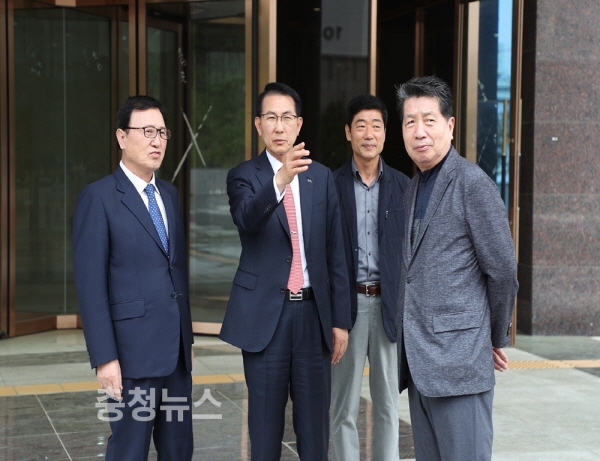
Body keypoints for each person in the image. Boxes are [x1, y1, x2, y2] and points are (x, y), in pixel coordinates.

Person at [219, 82, 351, 460]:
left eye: (287, 117)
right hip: (265, 319)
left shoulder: (320, 177)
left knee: (315, 431)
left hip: (312, 316)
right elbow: (247, 220)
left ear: (299, 124)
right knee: (264, 431)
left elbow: (336, 252)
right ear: (258, 124)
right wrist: (279, 181)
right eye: (271, 118)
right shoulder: (243, 175)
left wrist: (340, 321)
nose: (279, 126)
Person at [394, 75, 518, 461]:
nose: (419, 131)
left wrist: (492, 337)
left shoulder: (472, 184)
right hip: (421, 367)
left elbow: (503, 271)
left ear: (449, 125)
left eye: (429, 120)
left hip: (460, 366)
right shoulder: (414, 187)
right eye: (410, 121)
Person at [72, 95, 194, 461]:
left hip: (175, 356)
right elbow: (91, 287)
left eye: (162, 132)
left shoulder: (169, 195)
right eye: (147, 131)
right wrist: (104, 358)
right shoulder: (99, 197)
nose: (157, 141)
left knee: (179, 449)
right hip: (131, 357)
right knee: (130, 450)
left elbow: (176, 273)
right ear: (122, 137)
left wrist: (186, 339)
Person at [330, 94, 409, 461]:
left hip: (388, 306)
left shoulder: (403, 186)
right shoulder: (331, 185)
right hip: (348, 307)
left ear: (385, 134)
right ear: (348, 132)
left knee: (387, 404)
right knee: (342, 405)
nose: (368, 133)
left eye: (376, 126)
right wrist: (336, 318)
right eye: (360, 126)